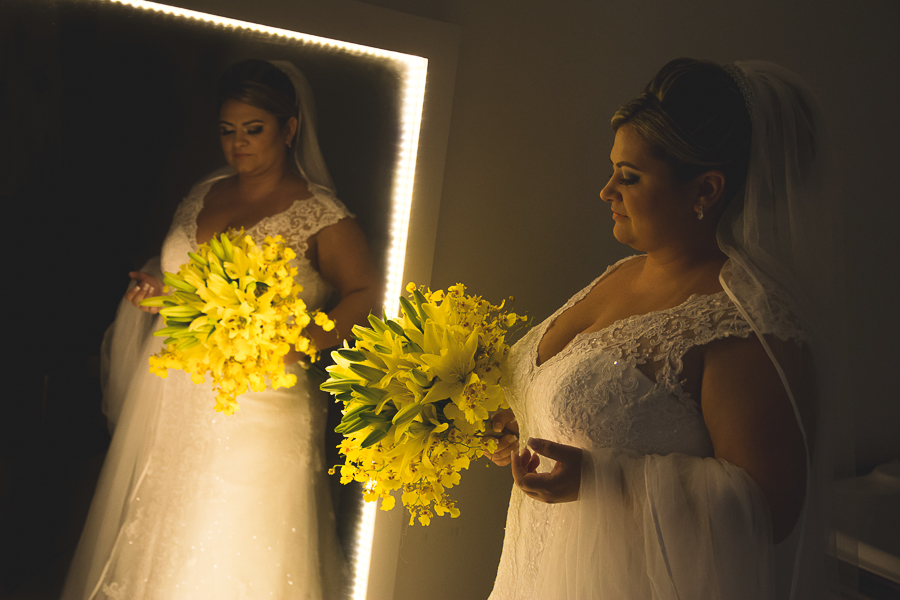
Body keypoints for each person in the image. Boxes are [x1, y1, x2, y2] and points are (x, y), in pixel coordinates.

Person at [486, 59, 848, 599]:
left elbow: (767, 509)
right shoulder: (623, 273)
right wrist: (519, 425)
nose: (606, 191)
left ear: (705, 188)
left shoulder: (745, 320)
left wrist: (599, 481)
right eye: (612, 170)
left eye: (628, 177)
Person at [63, 59, 382, 599]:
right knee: (163, 532)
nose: (238, 146)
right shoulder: (204, 193)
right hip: (175, 398)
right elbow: (193, 287)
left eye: (253, 130)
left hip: (261, 404)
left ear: (289, 128)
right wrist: (160, 295)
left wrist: (304, 339)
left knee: (233, 538)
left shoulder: (322, 215)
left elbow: (367, 294)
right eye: (227, 131)